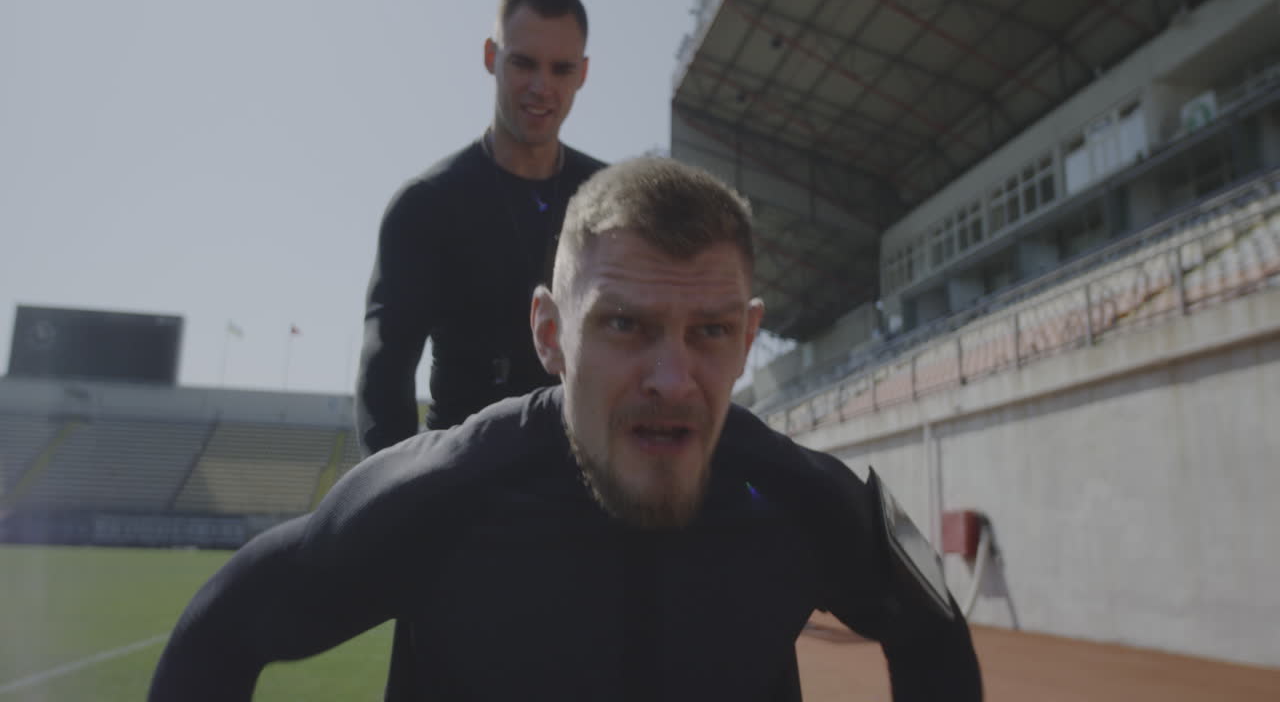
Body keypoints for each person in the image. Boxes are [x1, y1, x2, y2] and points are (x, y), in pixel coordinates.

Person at [149, 158, 983, 701]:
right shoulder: (441, 496)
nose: (671, 378)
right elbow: (220, 626)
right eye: (625, 325)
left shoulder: (803, 500)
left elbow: (935, 633)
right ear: (550, 333)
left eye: (711, 331)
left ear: (750, 337)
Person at [356, 0, 605, 457]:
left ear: (584, 73)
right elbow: (384, 371)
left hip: (584, 481)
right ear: (491, 56)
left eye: (562, 68)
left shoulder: (612, 200)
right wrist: (392, 502)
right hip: (466, 479)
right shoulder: (426, 204)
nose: (542, 86)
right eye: (524, 63)